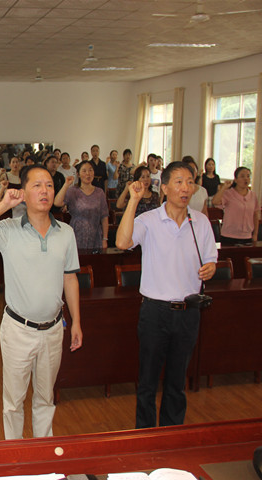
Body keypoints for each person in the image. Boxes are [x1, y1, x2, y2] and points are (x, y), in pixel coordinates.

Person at [0, 164, 82, 439]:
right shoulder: (8, 230)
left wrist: (76, 322)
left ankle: (43, 453)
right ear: (24, 192)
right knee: (14, 402)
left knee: (46, 398)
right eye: (37, 185)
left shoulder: (65, 232)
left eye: (49, 185)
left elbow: (70, 279)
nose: (45, 191)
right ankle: (15, 455)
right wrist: (3, 205)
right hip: (18, 330)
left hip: (53, 329)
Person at [116, 161, 217, 429]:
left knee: (176, 383)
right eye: (179, 182)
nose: (185, 188)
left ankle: (172, 435)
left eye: (190, 182)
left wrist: (210, 268)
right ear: (165, 187)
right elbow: (122, 242)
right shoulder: (149, 220)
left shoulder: (200, 222)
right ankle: (146, 436)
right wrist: (134, 200)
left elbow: (210, 259)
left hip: (189, 312)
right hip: (155, 313)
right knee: (148, 382)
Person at [54, 161, 109, 250]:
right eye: (84, 171)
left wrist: (105, 239)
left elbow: (104, 217)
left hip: (95, 234)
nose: (88, 173)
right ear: (78, 174)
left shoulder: (100, 192)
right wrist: (66, 185)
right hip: (77, 233)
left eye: (90, 170)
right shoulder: (73, 191)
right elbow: (57, 203)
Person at [212, 166, 259, 245]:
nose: (246, 179)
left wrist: (255, 234)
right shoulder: (229, 193)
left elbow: (255, 215)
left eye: (248, 176)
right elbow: (215, 202)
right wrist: (224, 188)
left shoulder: (253, 195)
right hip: (229, 236)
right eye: (242, 176)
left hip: (247, 236)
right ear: (236, 180)